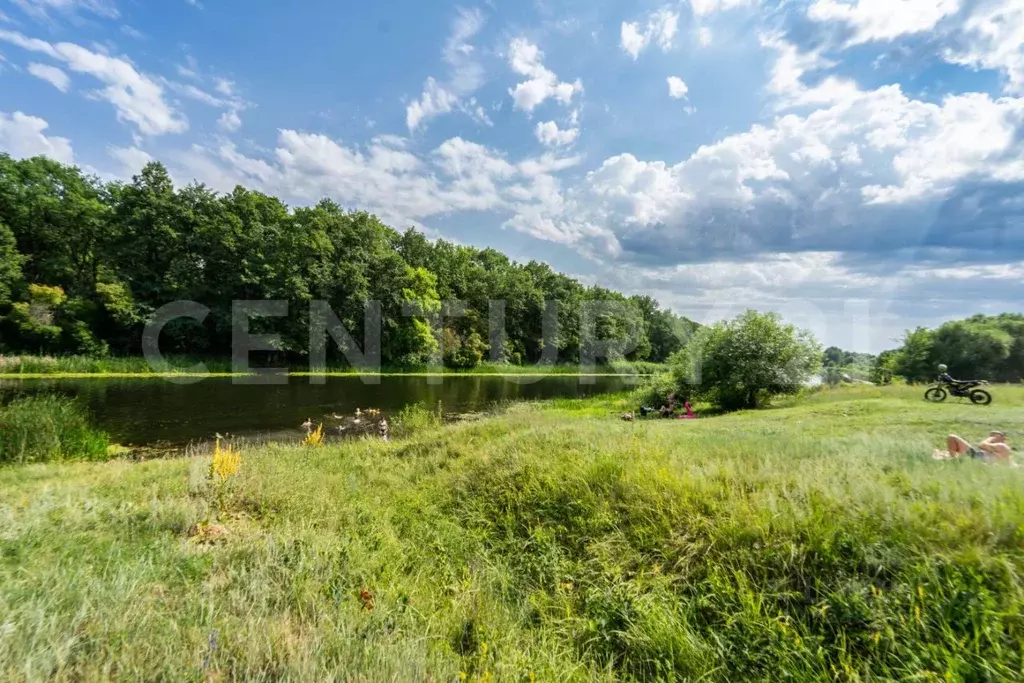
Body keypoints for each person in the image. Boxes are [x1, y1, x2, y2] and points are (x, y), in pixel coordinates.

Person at [934, 431, 1013, 463]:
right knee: (951, 442)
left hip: (975, 457)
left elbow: (981, 445)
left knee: (952, 437)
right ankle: (952, 457)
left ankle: (954, 460)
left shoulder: (1002, 446)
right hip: (976, 456)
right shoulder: (1002, 449)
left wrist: (993, 437)